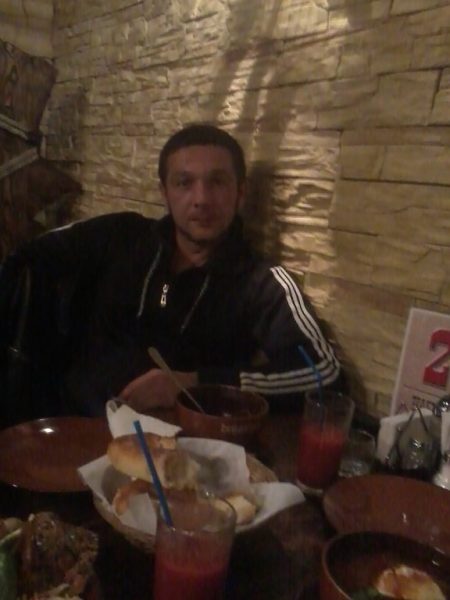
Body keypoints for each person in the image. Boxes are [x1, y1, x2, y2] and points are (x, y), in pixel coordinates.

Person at [0, 123, 341, 421]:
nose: (201, 199)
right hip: (70, 426)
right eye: (184, 182)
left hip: (173, 454)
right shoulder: (122, 235)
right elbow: (27, 257)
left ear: (240, 194)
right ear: (164, 192)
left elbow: (325, 373)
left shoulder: (260, 281)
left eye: (217, 182)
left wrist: (192, 383)